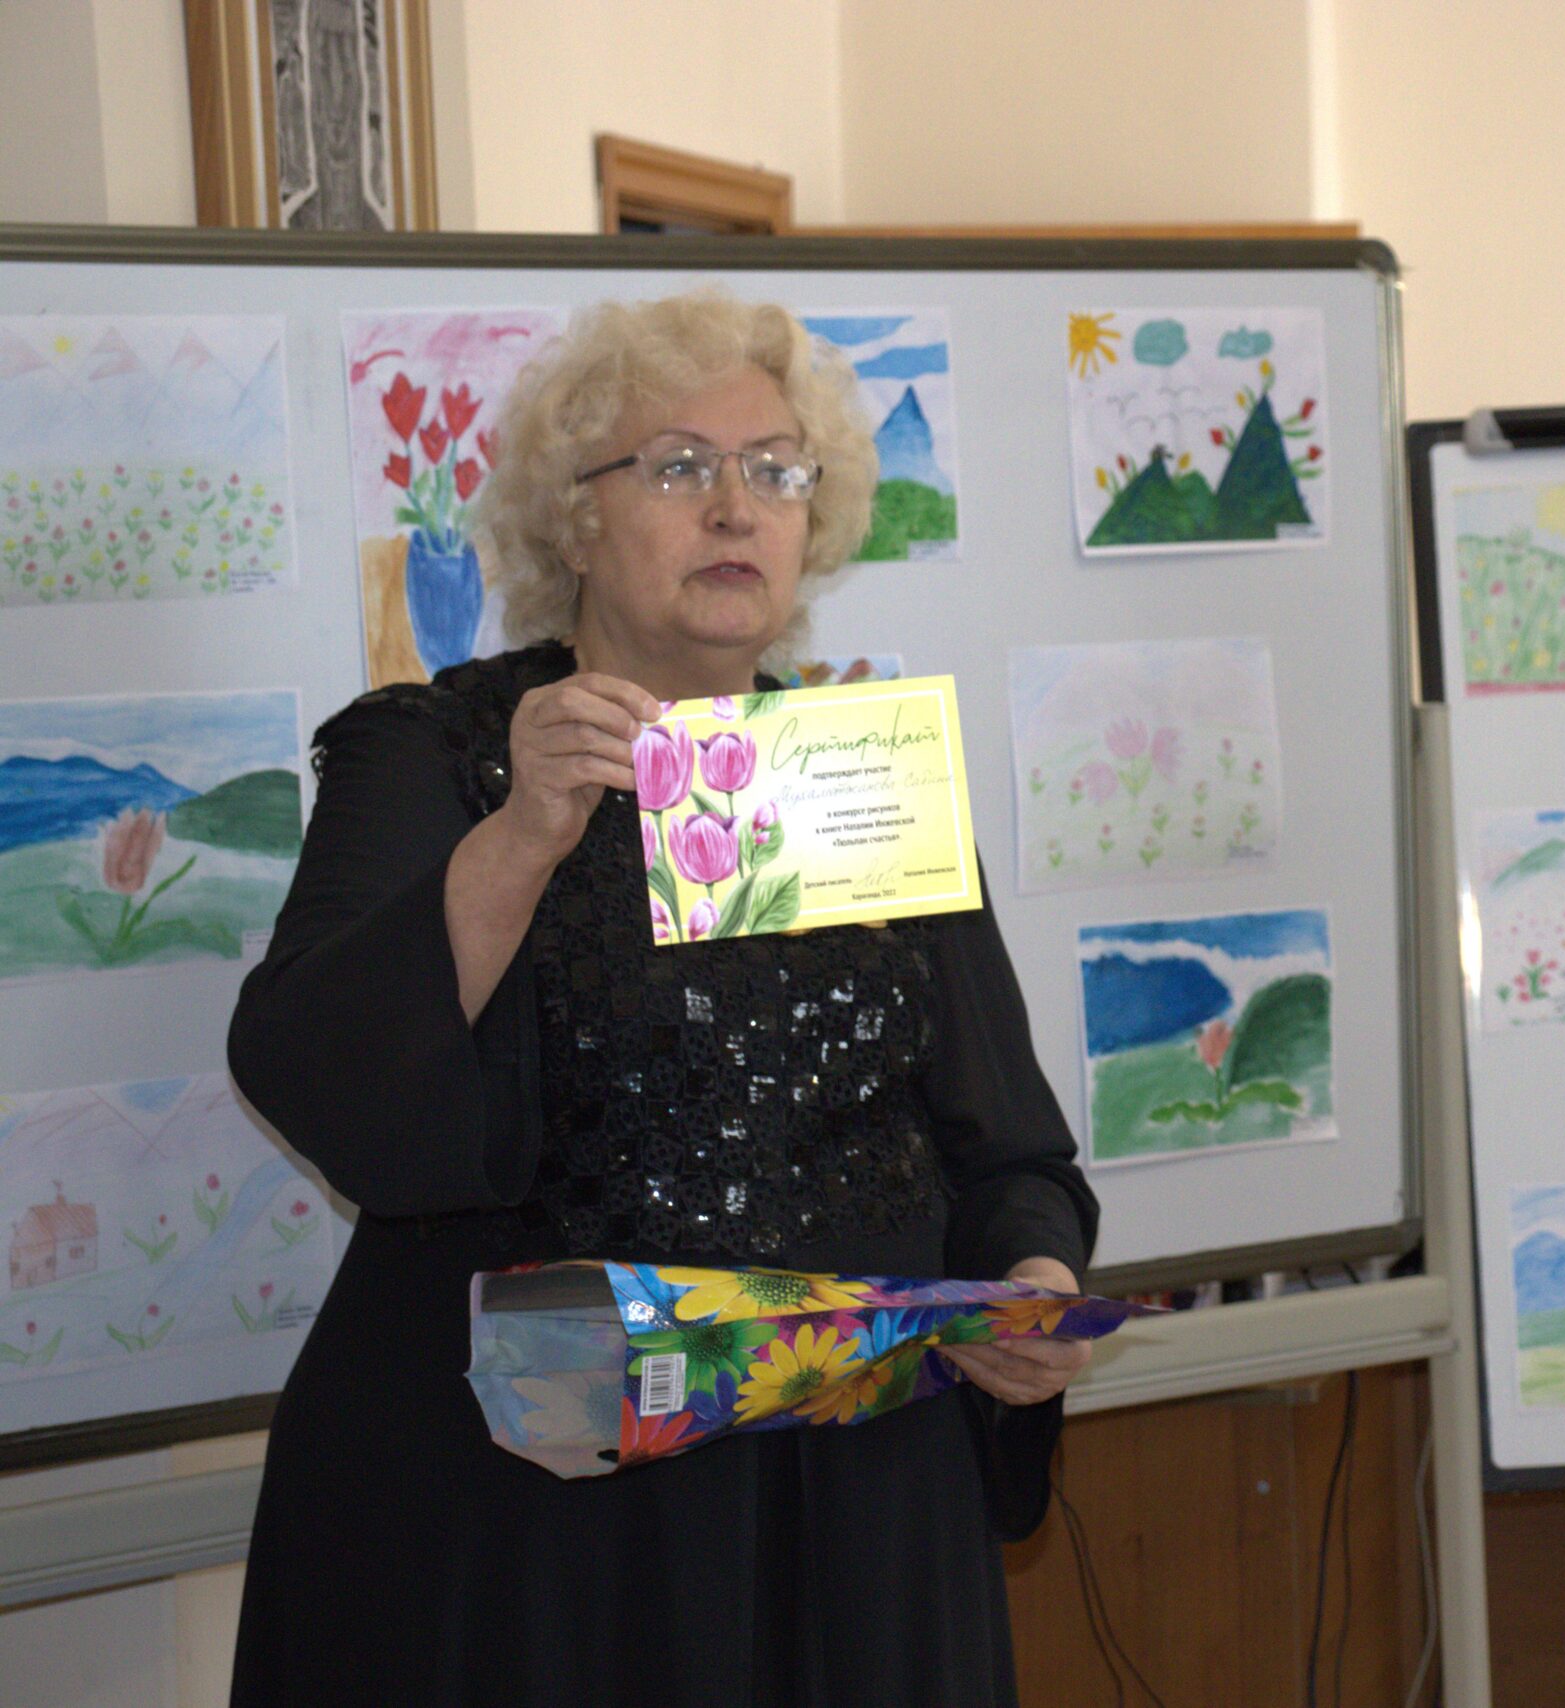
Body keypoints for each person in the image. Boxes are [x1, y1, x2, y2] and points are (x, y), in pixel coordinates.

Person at [226, 288, 1097, 1706]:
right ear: (575, 521)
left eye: (777, 472)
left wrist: (1032, 1288)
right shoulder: (441, 755)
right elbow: (321, 1074)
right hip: (530, 1532)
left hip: (850, 1512)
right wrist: (525, 833)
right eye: (681, 467)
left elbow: (1008, 1153)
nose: (737, 508)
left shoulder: (852, 780)